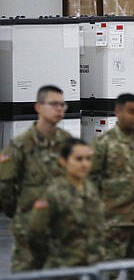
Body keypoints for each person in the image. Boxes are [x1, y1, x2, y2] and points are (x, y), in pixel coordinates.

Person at [0, 85, 72, 272]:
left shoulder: (67, 143)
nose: (59, 109)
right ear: (38, 107)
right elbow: (4, 186)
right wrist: (21, 211)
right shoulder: (20, 145)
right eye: (54, 104)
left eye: (63, 105)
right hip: (29, 231)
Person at [91, 93, 134, 280]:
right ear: (118, 112)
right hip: (114, 222)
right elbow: (90, 179)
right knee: (108, 271)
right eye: (131, 111)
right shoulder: (104, 144)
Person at [27, 138, 105, 269]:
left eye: (88, 159)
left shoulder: (91, 189)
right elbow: (35, 233)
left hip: (91, 266)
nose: (85, 164)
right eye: (78, 159)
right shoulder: (53, 194)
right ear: (63, 161)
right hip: (63, 268)